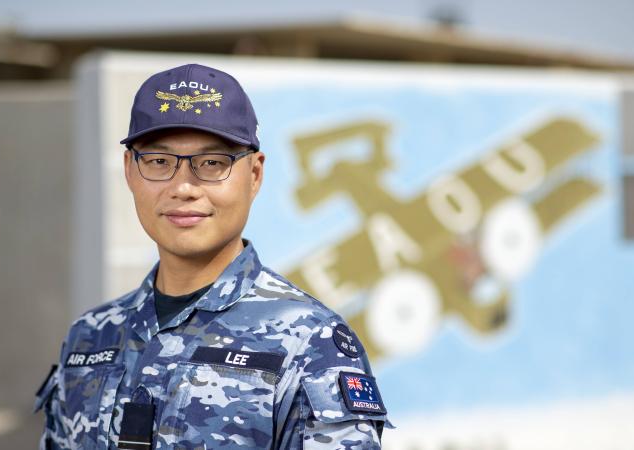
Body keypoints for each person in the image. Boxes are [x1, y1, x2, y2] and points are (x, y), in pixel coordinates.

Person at [34, 63, 391, 449]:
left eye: (212, 163)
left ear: (254, 175)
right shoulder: (90, 336)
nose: (183, 187)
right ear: (129, 172)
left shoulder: (309, 342)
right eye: (158, 162)